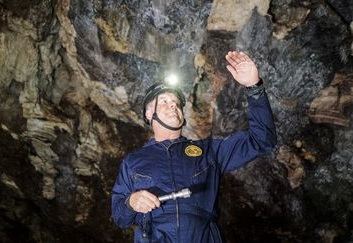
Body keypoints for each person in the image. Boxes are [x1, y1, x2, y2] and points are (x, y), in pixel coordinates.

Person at [111, 51, 277, 242]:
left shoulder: (209, 151)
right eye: (164, 101)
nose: (173, 105)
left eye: (176, 103)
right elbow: (119, 217)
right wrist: (131, 202)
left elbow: (262, 140)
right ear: (149, 114)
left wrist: (254, 87)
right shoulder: (133, 161)